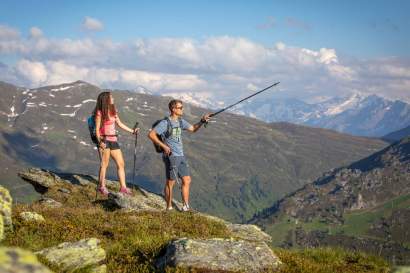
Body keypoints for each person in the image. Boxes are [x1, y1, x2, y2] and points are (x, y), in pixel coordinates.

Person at [148, 99, 211, 211]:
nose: (182, 109)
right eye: (180, 107)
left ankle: (186, 206)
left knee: (187, 180)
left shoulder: (181, 122)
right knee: (170, 183)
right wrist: (164, 146)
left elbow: (193, 129)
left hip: (181, 155)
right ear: (173, 109)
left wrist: (202, 121)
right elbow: (151, 134)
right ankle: (169, 207)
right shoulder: (165, 123)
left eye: (182, 107)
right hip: (171, 156)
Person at [93, 91, 138, 196]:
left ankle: (123, 188)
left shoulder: (113, 111)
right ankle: (101, 187)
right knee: (104, 164)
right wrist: (100, 142)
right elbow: (96, 130)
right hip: (104, 140)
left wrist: (132, 131)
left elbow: (120, 124)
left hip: (113, 140)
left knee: (121, 163)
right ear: (106, 100)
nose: (113, 98)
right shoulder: (100, 112)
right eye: (111, 97)